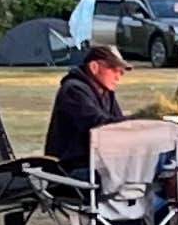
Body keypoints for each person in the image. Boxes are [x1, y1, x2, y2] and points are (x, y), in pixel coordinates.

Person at [43, 36, 125, 177]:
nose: (118, 77)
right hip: (70, 170)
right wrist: (143, 117)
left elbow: (119, 125)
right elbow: (98, 125)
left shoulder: (106, 93)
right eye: (113, 69)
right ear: (94, 67)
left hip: (96, 163)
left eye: (121, 72)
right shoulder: (73, 90)